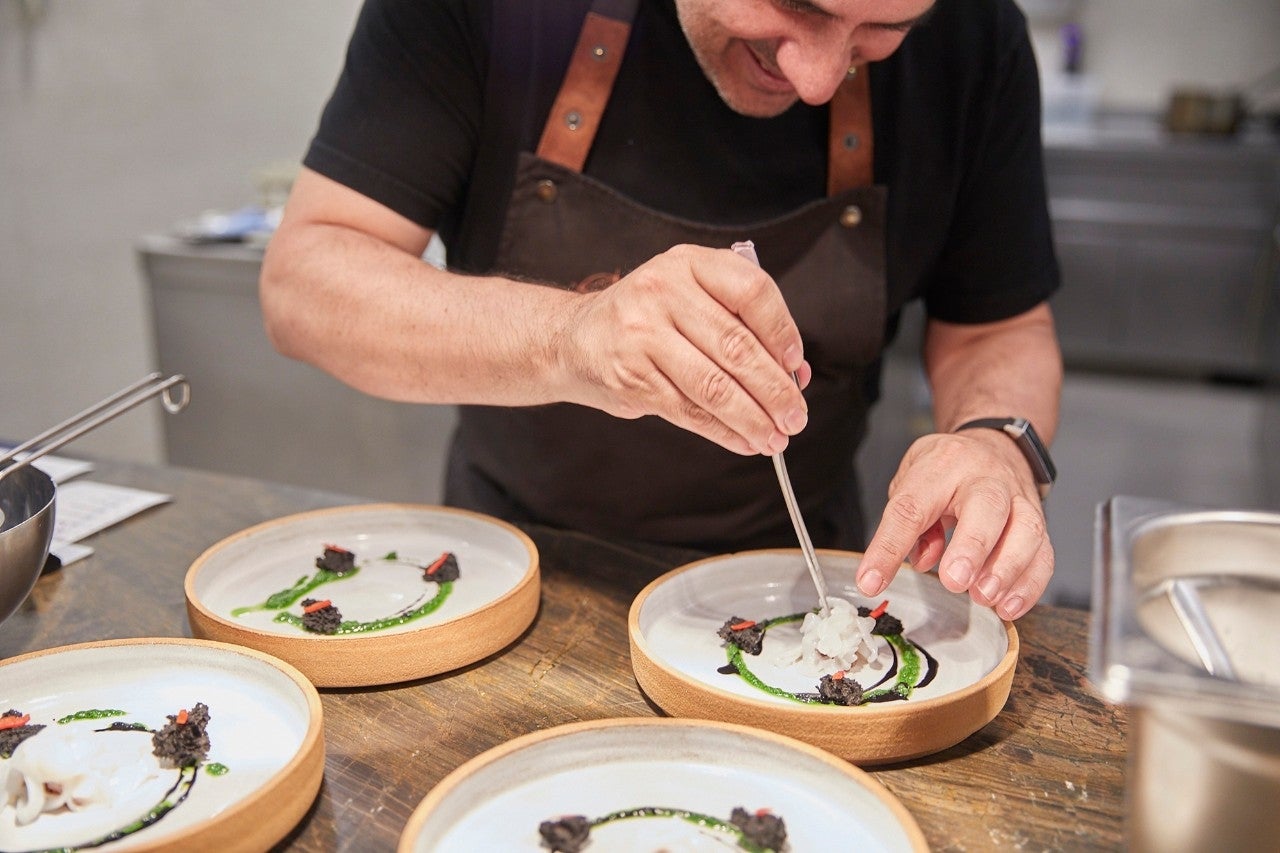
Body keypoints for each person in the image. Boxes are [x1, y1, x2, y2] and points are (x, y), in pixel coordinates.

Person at [260, 0, 1063, 621]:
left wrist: (998, 443)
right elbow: (306, 282)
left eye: (882, 32)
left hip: (808, 588)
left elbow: (998, 326)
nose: (819, 79)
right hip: (519, 572)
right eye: (794, 8)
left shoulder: (975, 34)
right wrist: (571, 338)